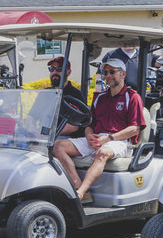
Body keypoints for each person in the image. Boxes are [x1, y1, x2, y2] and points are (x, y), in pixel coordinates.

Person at [53, 59, 146, 200]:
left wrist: (109, 138)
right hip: (98, 138)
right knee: (58, 146)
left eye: (112, 72)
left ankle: (79, 193)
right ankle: (77, 185)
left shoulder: (132, 97)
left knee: (102, 153)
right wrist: (89, 135)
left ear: (123, 74)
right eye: (105, 72)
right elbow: (89, 123)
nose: (108, 75)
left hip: (120, 141)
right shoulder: (100, 98)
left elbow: (135, 128)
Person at [45, 56, 84, 137]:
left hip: (65, 136)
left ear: (68, 72)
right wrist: (32, 129)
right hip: (45, 135)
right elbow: (32, 117)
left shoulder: (75, 95)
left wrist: (50, 133)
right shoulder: (46, 93)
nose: (54, 72)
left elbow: (74, 126)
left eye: (59, 69)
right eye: (52, 69)